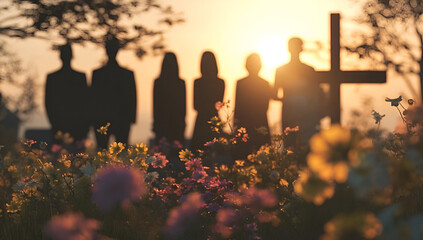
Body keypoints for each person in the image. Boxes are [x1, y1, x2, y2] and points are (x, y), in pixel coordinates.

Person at [274, 37, 325, 147]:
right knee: (290, 147)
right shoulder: (282, 71)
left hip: (306, 115)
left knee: (303, 146)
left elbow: (316, 94)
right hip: (289, 114)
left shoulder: (308, 70)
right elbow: (274, 95)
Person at [90, 37, 137, 148]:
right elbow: (92, 98)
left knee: (121, 156)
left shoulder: (126, 74)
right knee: (102, 156)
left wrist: (131, 118)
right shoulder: (97, 74)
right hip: (103, 120)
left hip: (121, 120)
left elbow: (132, 98)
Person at [45, 43, 89, 142]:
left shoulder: (53, 78)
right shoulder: (80, 77)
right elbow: (48, 103)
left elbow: (86, 102)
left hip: (75, 126)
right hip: (63, 125)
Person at [234, 53, 272, 152]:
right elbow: (266, 107)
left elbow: (237, 107)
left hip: (247, 122)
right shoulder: (265, 83)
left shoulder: (241, 83)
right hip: (258, 122)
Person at [191, 51, 225, 150]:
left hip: (204, 120)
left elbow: (196, 105)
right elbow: (219, 104)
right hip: (210, 119)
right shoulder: (220, 82)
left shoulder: (198, 82)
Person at [153, 52, 186, 145]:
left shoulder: (180, 83)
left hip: (175, 124)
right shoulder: (159, 83)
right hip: (163, 123)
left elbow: (183, 106)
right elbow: (156, 106)